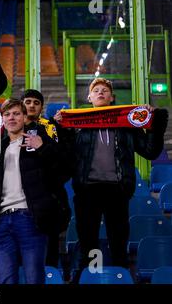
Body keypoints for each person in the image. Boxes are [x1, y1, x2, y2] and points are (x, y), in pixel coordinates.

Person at [54, 77, 169, 273]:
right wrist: (60, 128)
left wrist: (155, 121)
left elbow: (150, 151)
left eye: (105, 91)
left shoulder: (126, 125)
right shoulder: (78, 125)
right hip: (87, 190)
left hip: (117, 190)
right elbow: (64, 156)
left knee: (118, 241)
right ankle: (88, 277)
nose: (101, 93)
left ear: (112, 97)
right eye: (96, 90)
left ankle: (119, 275)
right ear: (89, 97)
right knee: (87, 241)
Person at [0, 98, 64, 284]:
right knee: (5, 281)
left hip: (30, 219)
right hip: (1, 221)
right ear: (2, 119)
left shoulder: (39, 140)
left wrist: (42, 147)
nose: (11, 118)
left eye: (16, 113)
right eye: (7, 114)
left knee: (34, 279)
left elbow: (61, 170)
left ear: (25, 117)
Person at [21, 89, 72, 268]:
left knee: (50, 249)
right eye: (28, 102)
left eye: (36, 102)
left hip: (49, 196)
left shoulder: (52, 129)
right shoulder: (12, 128)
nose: (32, 105)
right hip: (21, 198)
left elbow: (64, 160)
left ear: (41, 107)